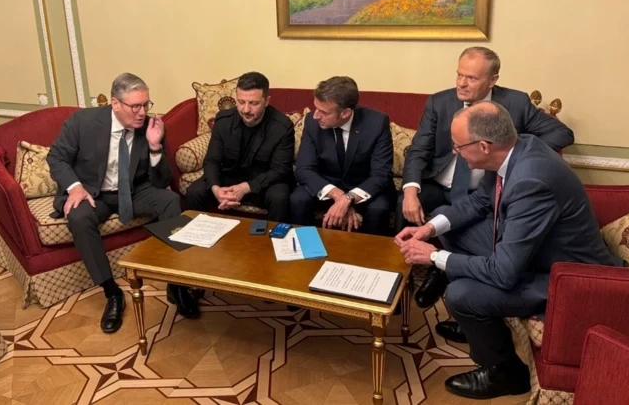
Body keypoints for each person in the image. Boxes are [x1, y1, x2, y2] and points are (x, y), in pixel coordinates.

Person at [395, 101, 625, 400]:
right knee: (445, 220)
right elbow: (480, 202)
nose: (454, 151)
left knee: (461, 294)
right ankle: (475, 322)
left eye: (458, 146)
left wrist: (433, 257)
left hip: (567, 277)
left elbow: (504, 272)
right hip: (529, 252)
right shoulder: (516, 147)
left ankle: (505, 372)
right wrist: (429, 229)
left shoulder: (532, 181)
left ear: (483, 146)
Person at [400, 46, 575, 308]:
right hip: (450, 186)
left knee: (461, 290)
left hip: (556, 270)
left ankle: (452, 275)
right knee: (441, 218)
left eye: (471, 78)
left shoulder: (525, 173)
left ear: (492, 80)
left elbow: (562, 133)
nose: (461, 83)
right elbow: (420, 151)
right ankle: (411, 280)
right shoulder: (440, 102)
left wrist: (518, 156)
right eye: (459, 74)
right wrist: (427, 224)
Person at [47, 72, 185, 332]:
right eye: (136, 106)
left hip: (134, 190)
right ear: (115, 104)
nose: (142, 112)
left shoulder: (150, 127)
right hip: (93, 193)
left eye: (146, 104)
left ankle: (176, 284)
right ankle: (112, 293)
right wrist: (75, 187)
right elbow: (56, 157)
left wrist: (155, 148)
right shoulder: (83, 122)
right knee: (79, 217)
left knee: (171, 201)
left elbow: (162, 180)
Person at [291, 76, 394, 235]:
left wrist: (349, 198)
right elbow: (304, 169)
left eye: (324, 112)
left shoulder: (377, 123)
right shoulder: (312, 121)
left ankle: (370, 251)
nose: (316, 115)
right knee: (298, 198)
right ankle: (304, 246)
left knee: (379, 208)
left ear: (345, 113)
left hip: (363, 187)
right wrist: (339, 196)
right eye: (316, 108)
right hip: (326, 186)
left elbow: (381, 175)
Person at [185, 71, 294, 222]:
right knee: (195, 191)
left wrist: (246, 188)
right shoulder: (224, 121)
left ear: (266, 101)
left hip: (263, 182)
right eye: (241, 102)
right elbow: (212, 160)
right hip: (230, 177)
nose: (246, 110)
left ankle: (273, 237)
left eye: (253, 103)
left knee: (279, 197)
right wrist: (216, 189)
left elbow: (280, 170)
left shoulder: (282, 127)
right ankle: (200, 235)